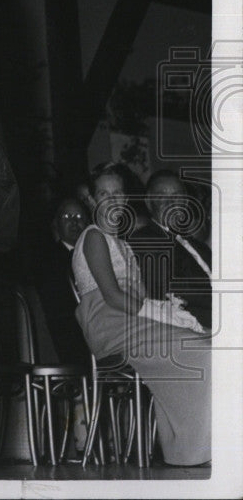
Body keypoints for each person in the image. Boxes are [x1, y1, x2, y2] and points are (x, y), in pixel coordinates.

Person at [72, 163, 210, 466]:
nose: (112, 199)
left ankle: (187, 448)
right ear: (92, 200)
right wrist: (160, 312)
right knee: (199, 350)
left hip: (130, 319)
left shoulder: (123, 242)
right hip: (108, 321)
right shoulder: (94, 236)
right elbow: (111, 295)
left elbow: (140, 297)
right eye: (103, 193)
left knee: (201, 342)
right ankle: (191, 451)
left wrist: (172, 311)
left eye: (118, 192)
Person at [129, 170, 212, 330]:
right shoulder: (145, 239)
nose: (171, 203)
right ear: (149, 203)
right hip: (189, 324)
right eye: (162, 197)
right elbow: (170, 287)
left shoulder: (197, 246)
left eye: (177, 196)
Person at [34, 197, 90, 365]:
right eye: (67, 217)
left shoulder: (94, 256)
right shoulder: (48, 261)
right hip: (68, 335)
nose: (74, 222)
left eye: (79, 218)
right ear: (56, 225)